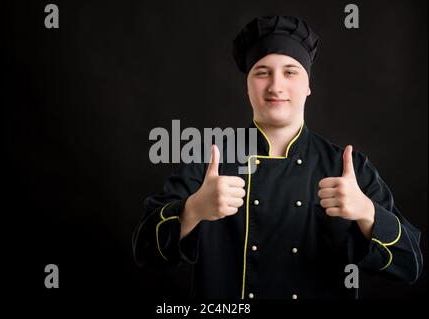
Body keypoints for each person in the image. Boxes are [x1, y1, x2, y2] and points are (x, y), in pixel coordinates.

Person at [132, 15, 423, 299]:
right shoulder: (210, 160)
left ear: (308, 85)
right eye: (262, 72)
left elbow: (410, 265)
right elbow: (144, 250)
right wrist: (193, 209)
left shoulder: (346, 167)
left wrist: (367, 213)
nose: (276, 86)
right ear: (247, 85)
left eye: (290, 71)